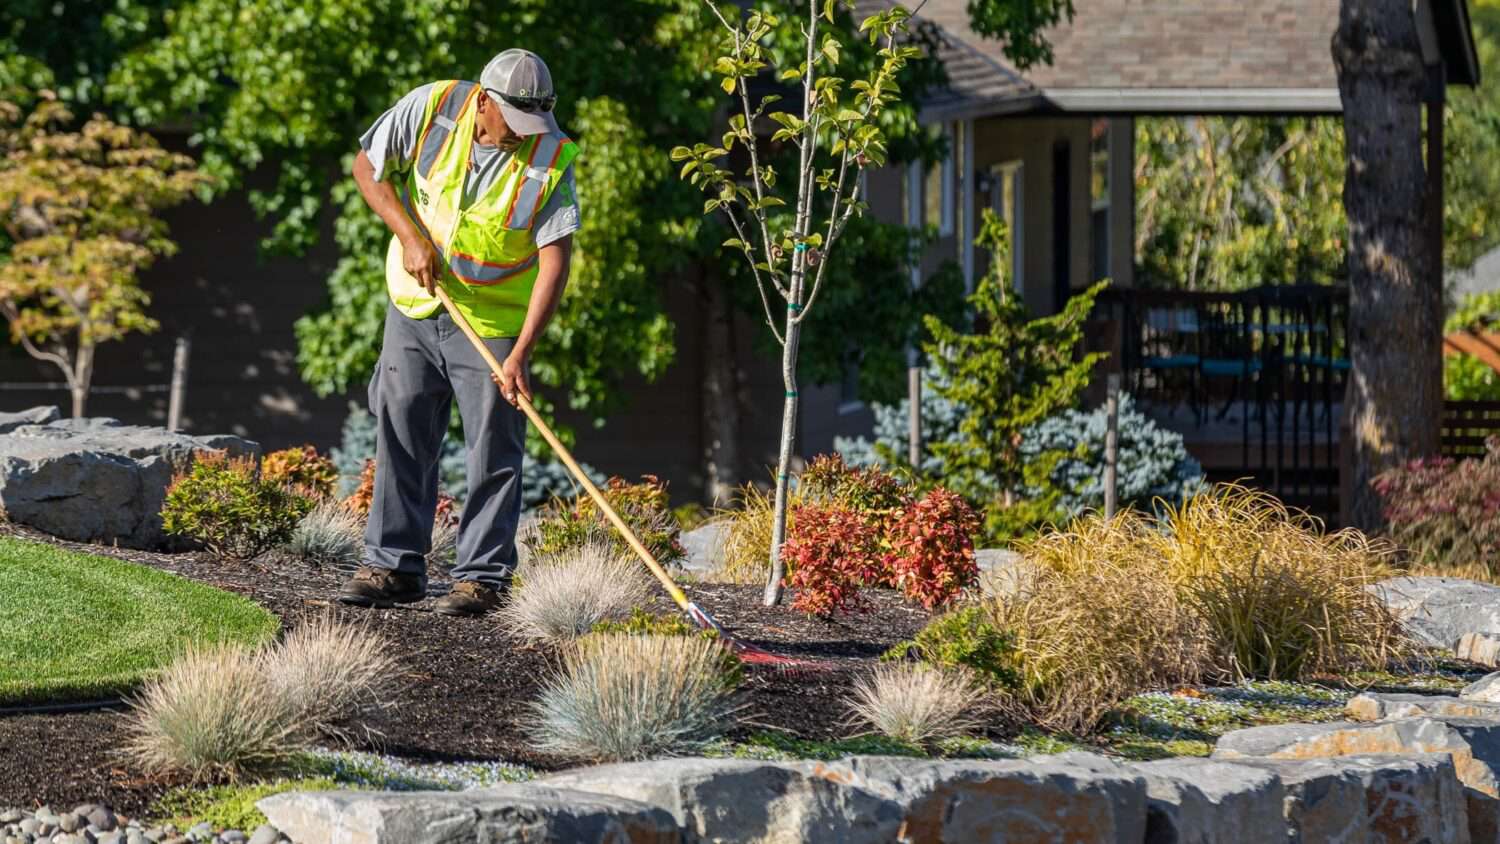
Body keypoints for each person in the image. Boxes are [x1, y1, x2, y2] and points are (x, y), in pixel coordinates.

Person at [336, 49, 579, 616]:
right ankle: (393, 567)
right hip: (416, 304)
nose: (522, 136)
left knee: (494, 448)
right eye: (513, 123)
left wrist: (521, 352)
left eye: (533, 125)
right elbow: (367, 168)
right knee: (401, 434)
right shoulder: (433, 107)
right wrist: (410, 237)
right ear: (484, 103)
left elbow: (555, 261)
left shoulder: (551, 158)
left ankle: (483, 577)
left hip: (494, 323)